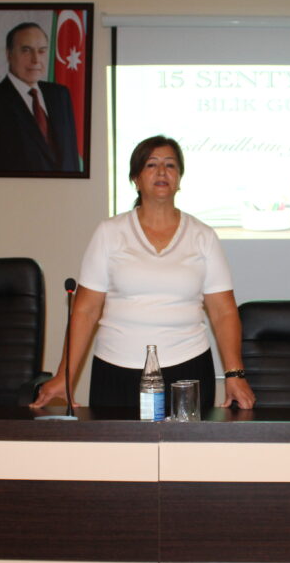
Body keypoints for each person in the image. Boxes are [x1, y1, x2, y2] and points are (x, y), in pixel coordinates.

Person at [30, 135, 256, 411]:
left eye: (170, 165)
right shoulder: (109, 233)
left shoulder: (203, 236)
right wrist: (64, 376)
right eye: (151, 164)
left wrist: (235, 374)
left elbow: (223, 312)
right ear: (135, 178)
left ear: (179, 179)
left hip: (187, 369)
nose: (162, 172)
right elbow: (86, 310)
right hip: (117, 369)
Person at [0, 22, 81, 173]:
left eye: (42, 51)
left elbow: (71, 158)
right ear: (9, 54)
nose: (36, 59)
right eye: (26, 50)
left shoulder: (60, 95)